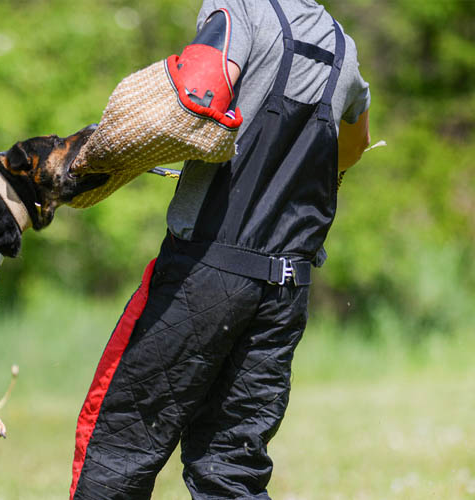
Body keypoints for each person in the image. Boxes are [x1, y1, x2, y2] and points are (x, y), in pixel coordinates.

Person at [69, 0, 371, 498]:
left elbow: (200, 83)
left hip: (205, 272)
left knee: (118, 449)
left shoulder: (243, 7)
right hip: (285, 289)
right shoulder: (344, 47)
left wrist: (116, 151)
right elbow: (353, 147)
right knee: (232, 469)